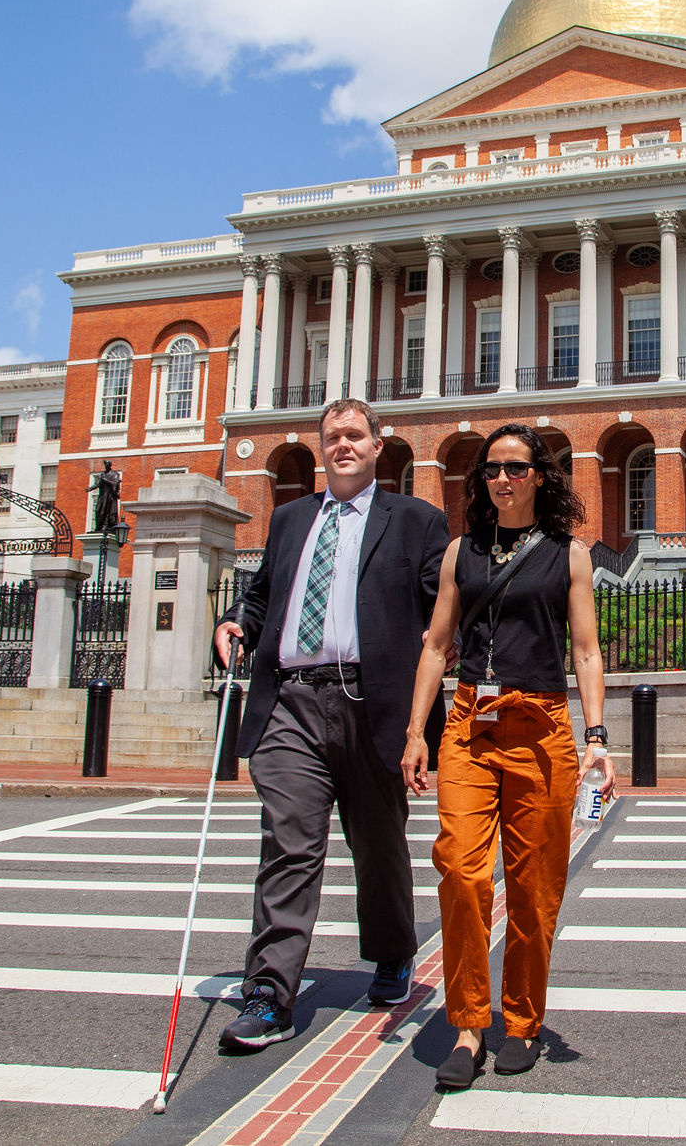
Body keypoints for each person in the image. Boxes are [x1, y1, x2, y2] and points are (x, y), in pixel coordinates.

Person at [210, 398, 449, 1051]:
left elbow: (444, 601)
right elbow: (263, 593)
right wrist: (237, 621)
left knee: (378, 844)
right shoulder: (290, 520)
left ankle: (395, 950)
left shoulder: (417, 520)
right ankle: (270, 992)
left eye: (354, 434)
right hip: (292, 700)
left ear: (378, 445)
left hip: (374, 702)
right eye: (332, 436)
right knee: (289, 842)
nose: (342, 444)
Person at [400, 424, 613, 1090]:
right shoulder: (460, 551)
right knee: (462, 872)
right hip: (470, 722)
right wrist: (415, 731)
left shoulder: (568, 555)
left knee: (534, 887)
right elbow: (437, 644)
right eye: (492, 467)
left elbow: (585, 649)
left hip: (541, 724)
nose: (502, 477)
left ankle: (520, 1018)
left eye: (516, 467)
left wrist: (597, 737)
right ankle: (467, 1022)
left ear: (539, 476)